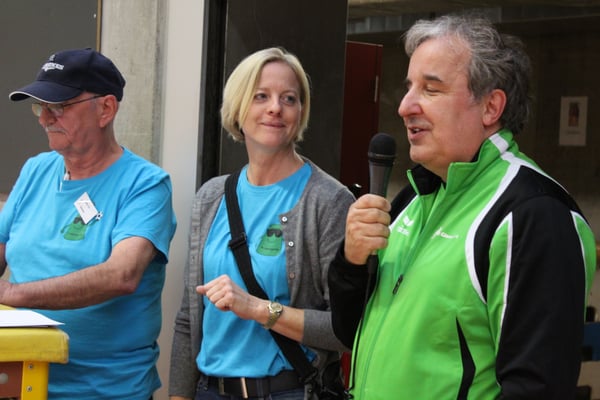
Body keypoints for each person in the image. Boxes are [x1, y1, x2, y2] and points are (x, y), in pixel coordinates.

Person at [328, 14, 597, 399]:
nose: (404, 106)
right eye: (408, 88)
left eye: (430, 89)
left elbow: (537, 388)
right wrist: (352, 262)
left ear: (490, 107)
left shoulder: (534, 215)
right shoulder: (414, 198)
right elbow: (348, 331)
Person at [169, 47, 354, 400]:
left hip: (287, 392)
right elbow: (188, 319)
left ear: (300, 113)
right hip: (210, 391)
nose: (275, 108)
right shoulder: (211, 197)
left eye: (289, 98)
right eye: (261, 96)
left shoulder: (328, 201)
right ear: (238, 107)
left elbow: (345, 328)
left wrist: (258, 309)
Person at [0, 48, 177, 399]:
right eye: (40, 107)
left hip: (103, 389)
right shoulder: (36, 169)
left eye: (58, 107)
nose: (44, 119)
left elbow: (121, 275)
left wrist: (12, 294)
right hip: (21, 379)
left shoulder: (146, 185)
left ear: (106, 109)